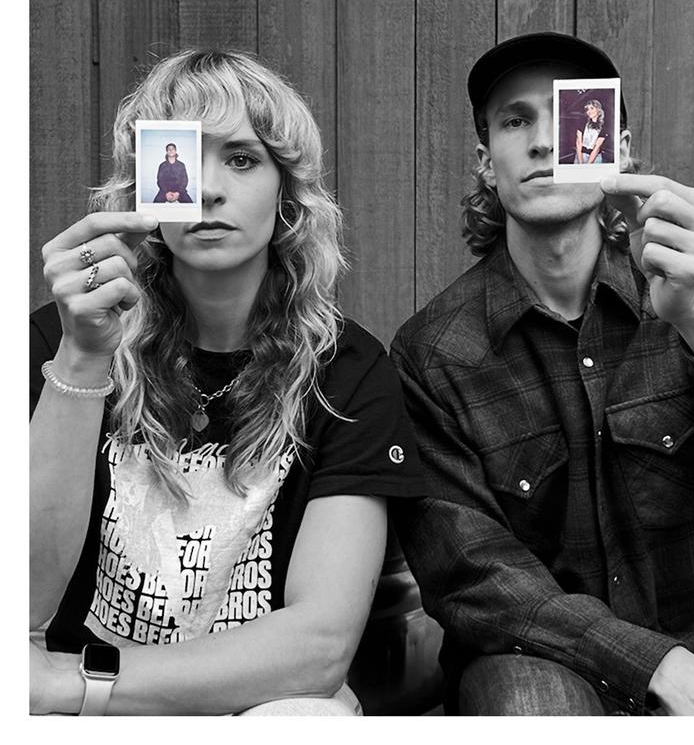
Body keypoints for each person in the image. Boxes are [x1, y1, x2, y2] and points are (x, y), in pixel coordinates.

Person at [30, 49, 424, 716]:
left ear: (287, 192)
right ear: (143, 187)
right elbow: (22, 601)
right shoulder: (59, 337)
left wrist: (82, 683)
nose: (208, 188)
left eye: (242, 159)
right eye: (181, 156)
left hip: (259, 700)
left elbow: (318, 647)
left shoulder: (348, 368)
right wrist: (80, 359)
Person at [390, 32, 694, 716]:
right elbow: (475, 576)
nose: (542, 143)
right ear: (486, 162)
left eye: (569, 117)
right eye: (515, 120)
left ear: (617, 150)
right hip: (535, 658)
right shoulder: (432, 353)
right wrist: (659, 666)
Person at [574, 99, 607, 164]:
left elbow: (596, 148)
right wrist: (581, 163)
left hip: (595, 157)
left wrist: (588, 165)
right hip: (581, 155)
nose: (589, 111)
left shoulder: (604, 127)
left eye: (592, 108)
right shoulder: (582, 123)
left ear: (598, 110)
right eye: (587, 109)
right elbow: (578, 143)